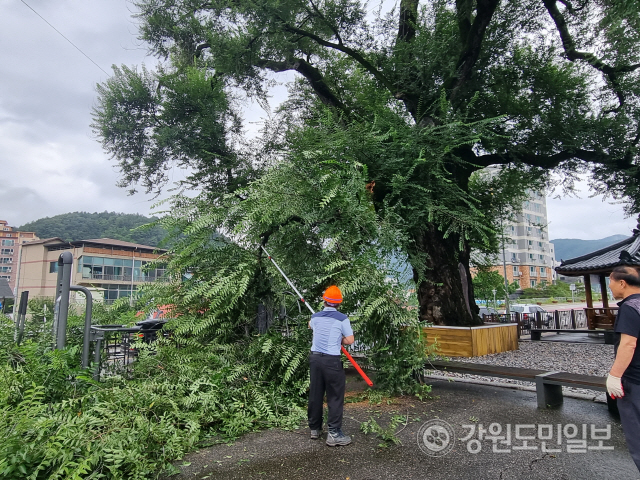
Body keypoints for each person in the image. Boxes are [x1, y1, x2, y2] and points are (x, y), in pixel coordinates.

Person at [308, 285, 355, 446]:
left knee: (315, 393)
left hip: (315, 359)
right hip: (331, 361)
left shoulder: (315, 317)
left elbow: (310, 326)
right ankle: (334, 433)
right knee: (335, 396)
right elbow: (349, 340)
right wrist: (338, 339)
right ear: (339, 303)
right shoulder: (342, 318)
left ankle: (315, 429)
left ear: (324, 301)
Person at [607, 265, 640, 472]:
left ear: (622, 283)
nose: (610, 288)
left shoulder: (629, 307)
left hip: (635, 382)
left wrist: (614, 375)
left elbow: (628, 344)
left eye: (610, 283)